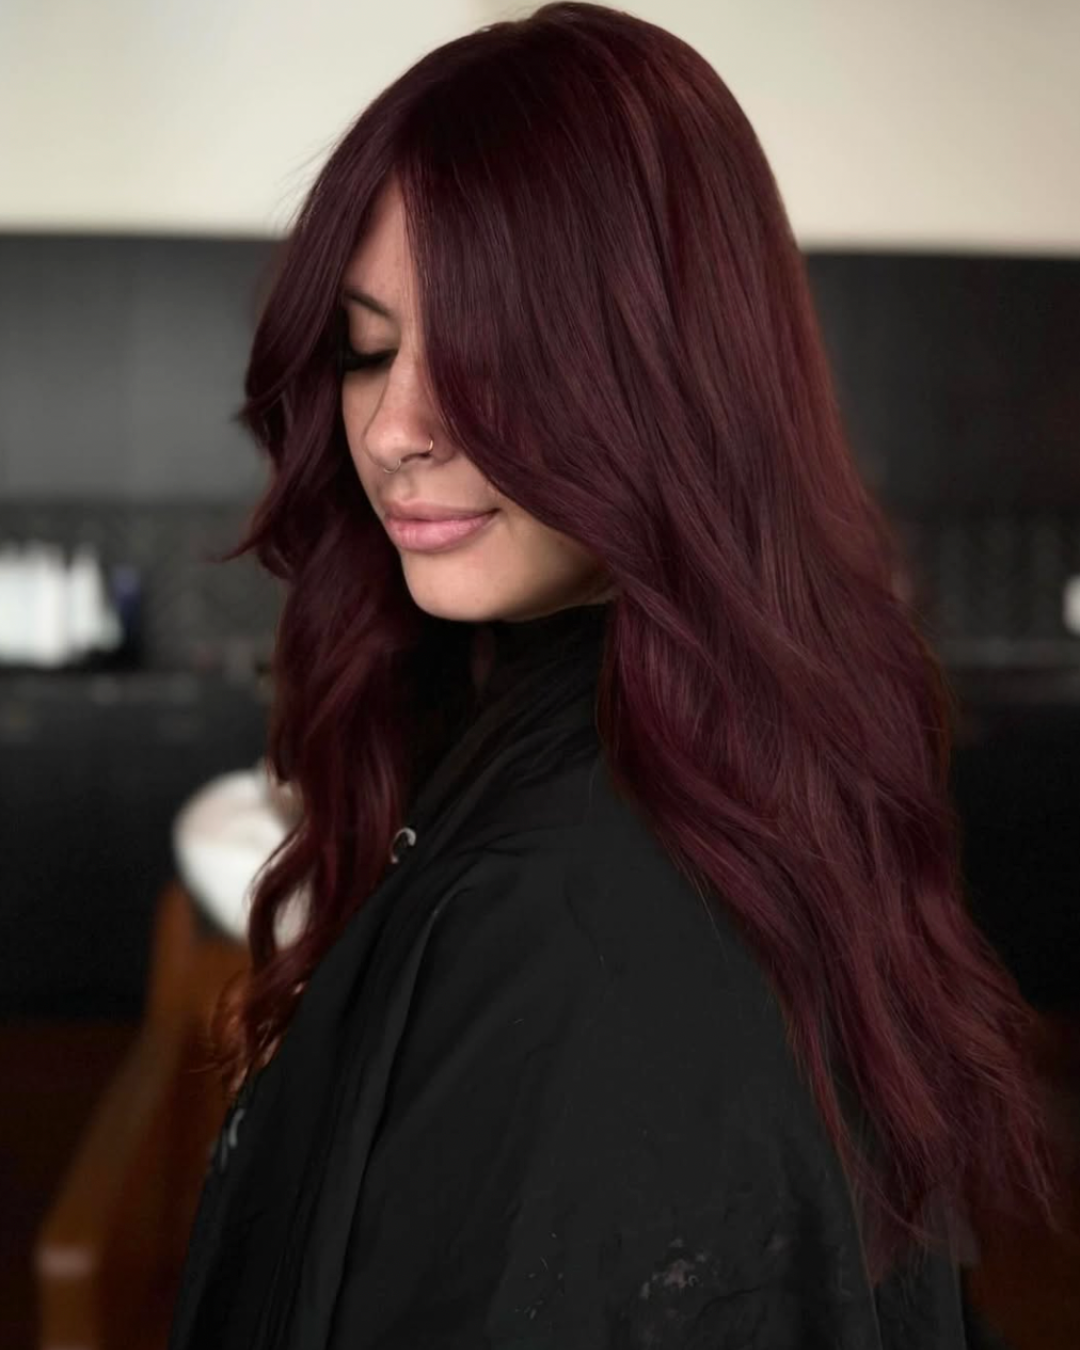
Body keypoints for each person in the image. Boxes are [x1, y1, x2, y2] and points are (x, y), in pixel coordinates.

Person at [167, 5, 1062, 1347]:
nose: (399, 427)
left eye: (487, 351)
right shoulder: (647, 742)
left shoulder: (582, 920)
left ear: (661, 371)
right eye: (367, 345)